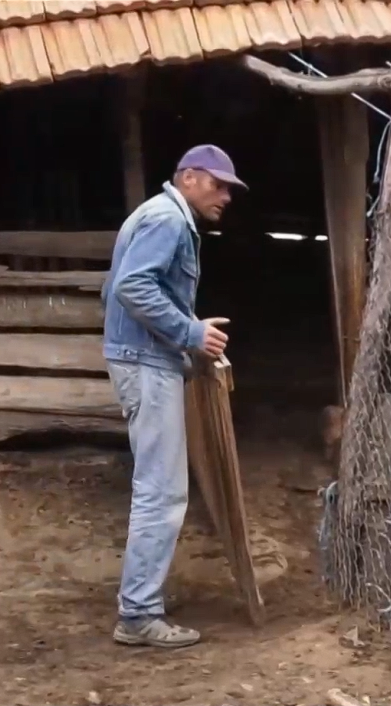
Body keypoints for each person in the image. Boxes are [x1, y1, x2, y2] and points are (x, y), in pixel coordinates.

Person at [102, 144, 246, 648]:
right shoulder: (167, 220)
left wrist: (184, 344)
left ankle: (139, 602)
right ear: (188, 176)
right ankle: (139, 615)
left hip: (140, 358)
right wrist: (188, 333)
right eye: (218, 184)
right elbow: (132, 288)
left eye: (229, 188)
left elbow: (125, 289)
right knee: (160, 492)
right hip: (144, 363)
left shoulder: (157, 214)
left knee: (158, 488)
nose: (225, 195)